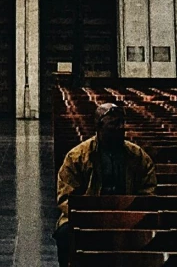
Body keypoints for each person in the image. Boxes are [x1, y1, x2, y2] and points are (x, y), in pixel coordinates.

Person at [54, 100, 156, 265]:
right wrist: (92, 215)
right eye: (115, 124)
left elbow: (148, 189)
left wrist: (131, 211)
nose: (122, 127)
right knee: (65, 234)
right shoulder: (77, 157)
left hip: (127, 215)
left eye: (122, 123)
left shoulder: (137, 156)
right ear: (100, 126)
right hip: (88, 216)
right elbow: (66, 197)